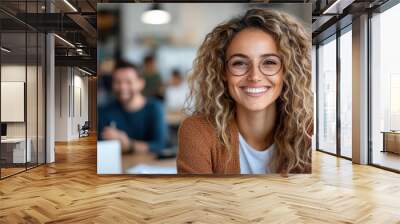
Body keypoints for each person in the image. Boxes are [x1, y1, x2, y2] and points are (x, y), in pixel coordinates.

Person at [177, 9, 313, 175]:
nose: (254, 76)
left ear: (286, 71)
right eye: (239, 63)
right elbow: (195, 199)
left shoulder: (310, 132)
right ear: (222, 72)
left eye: (269, 62)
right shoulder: (198, 131)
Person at [98, 60, 168, 155]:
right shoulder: (103, 111)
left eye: (128, 82)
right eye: (117, 82)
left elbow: (160, 146)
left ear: (141, 83)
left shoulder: (155, 108)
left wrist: (129, 144)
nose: (122, 87)